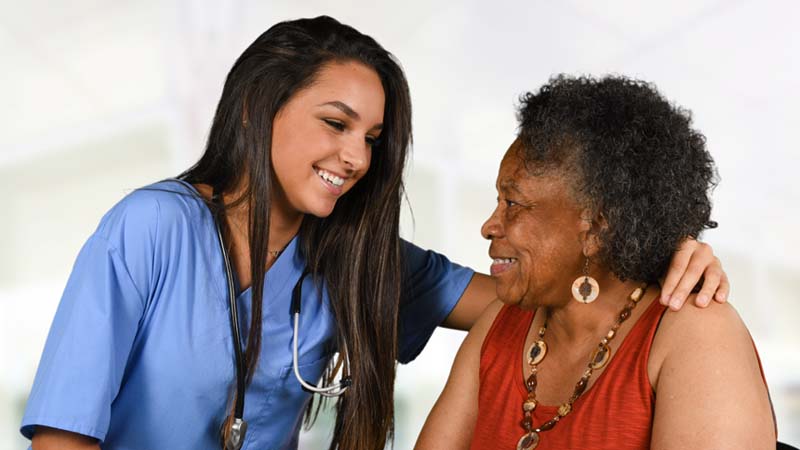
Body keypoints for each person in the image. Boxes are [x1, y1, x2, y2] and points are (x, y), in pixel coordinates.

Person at [21, 18, 728, 450]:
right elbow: (61, 434)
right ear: (254, 109)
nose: (357, 158)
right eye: (335, 124)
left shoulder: (360, 260)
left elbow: (558, 298)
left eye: (374, 138)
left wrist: (663, 253)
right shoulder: (151, 228)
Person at [415, 75, 776, 450]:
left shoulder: (698, 332)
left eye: (513, 203)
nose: (489, 226)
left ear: (596, 228)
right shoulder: (499, 323)